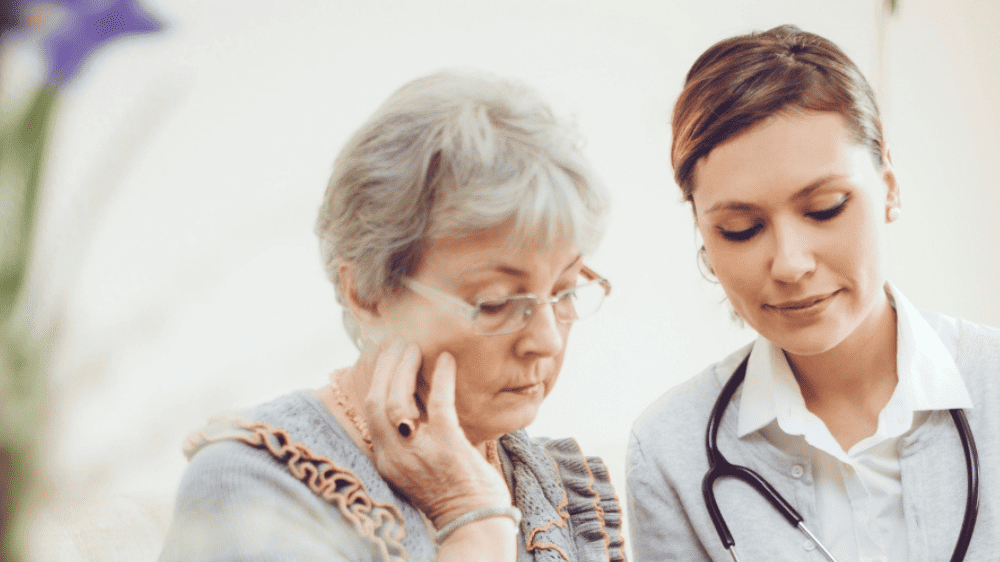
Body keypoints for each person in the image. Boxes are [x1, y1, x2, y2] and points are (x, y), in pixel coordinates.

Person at [159, 70, 626, 562]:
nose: (547, 340)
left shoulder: (554, 488)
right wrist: (472, 522)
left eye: (566, 291)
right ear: (366, 292)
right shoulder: (253, 485)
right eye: (495, 302)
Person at [627, 25, 999, 562]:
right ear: (703, 235)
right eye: (739, 228)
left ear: (889, 184)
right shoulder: (669, 452)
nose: (790, 264)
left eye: (825, 208)